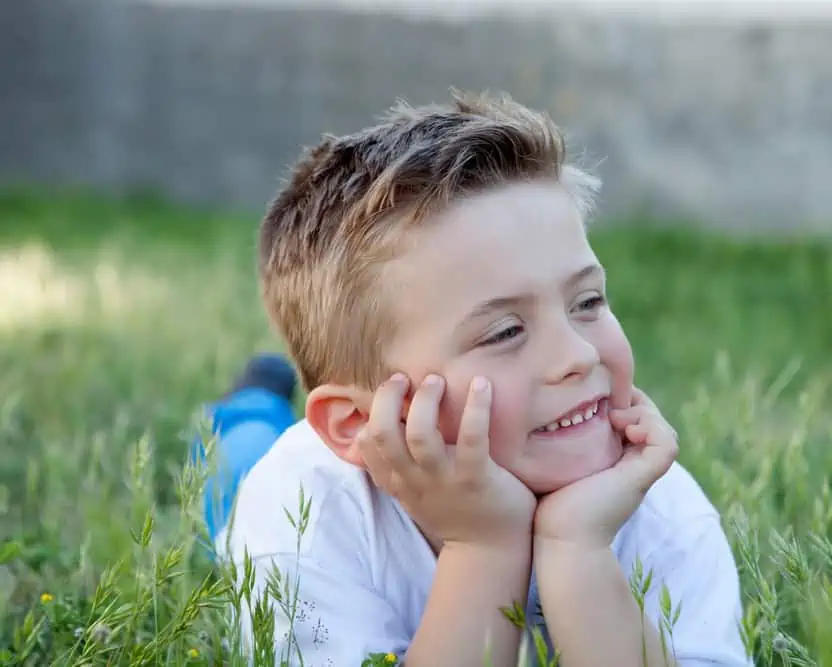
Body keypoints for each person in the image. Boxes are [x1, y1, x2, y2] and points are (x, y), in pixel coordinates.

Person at [192, 90, 751, 667]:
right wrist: (484, 543)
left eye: (586, 301)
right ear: (360, 421)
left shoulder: (660, 509)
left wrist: (577, 550)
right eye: (506, 332)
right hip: (264, 471)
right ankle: (248, 404)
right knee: (236, 454)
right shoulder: (299, 511)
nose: (578, 356)